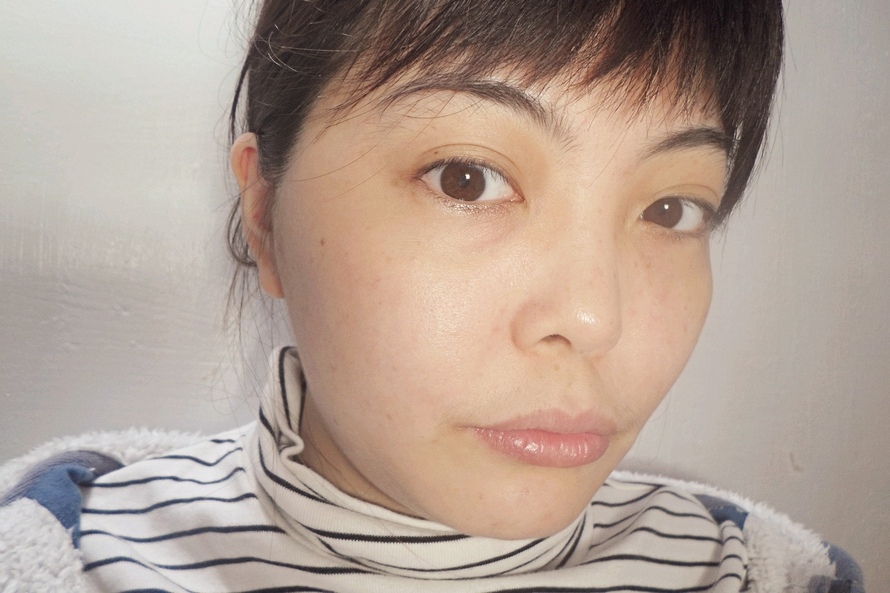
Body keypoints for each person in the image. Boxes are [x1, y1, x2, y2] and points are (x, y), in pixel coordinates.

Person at [0, 1, 865, 592]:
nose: (593, 317)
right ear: (264, 214)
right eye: (466, 178)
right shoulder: (69, 556)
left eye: (670, 208)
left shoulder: (765, 574)